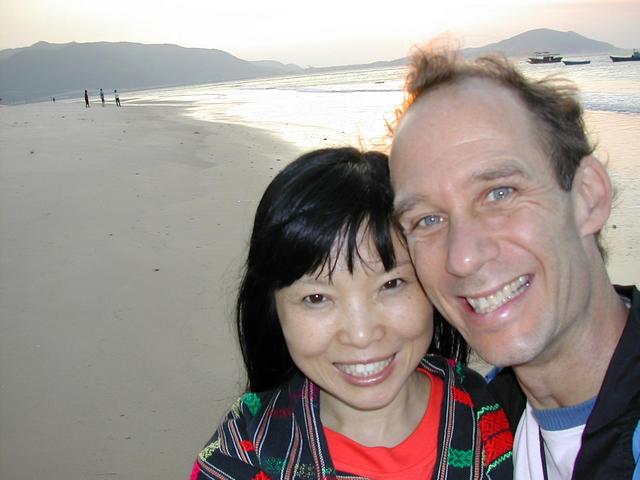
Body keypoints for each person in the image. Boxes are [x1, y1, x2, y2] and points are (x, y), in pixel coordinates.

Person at [389, 46, 640, 479]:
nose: (463, 257)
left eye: (499, 193)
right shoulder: (471, 431)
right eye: (427, 219)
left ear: (588, 197)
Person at [191, 147, 513, 479]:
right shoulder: (246, 449)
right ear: (273, 309)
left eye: (391, 284)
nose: (361, 334)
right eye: (316, 297)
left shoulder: (498, 419)